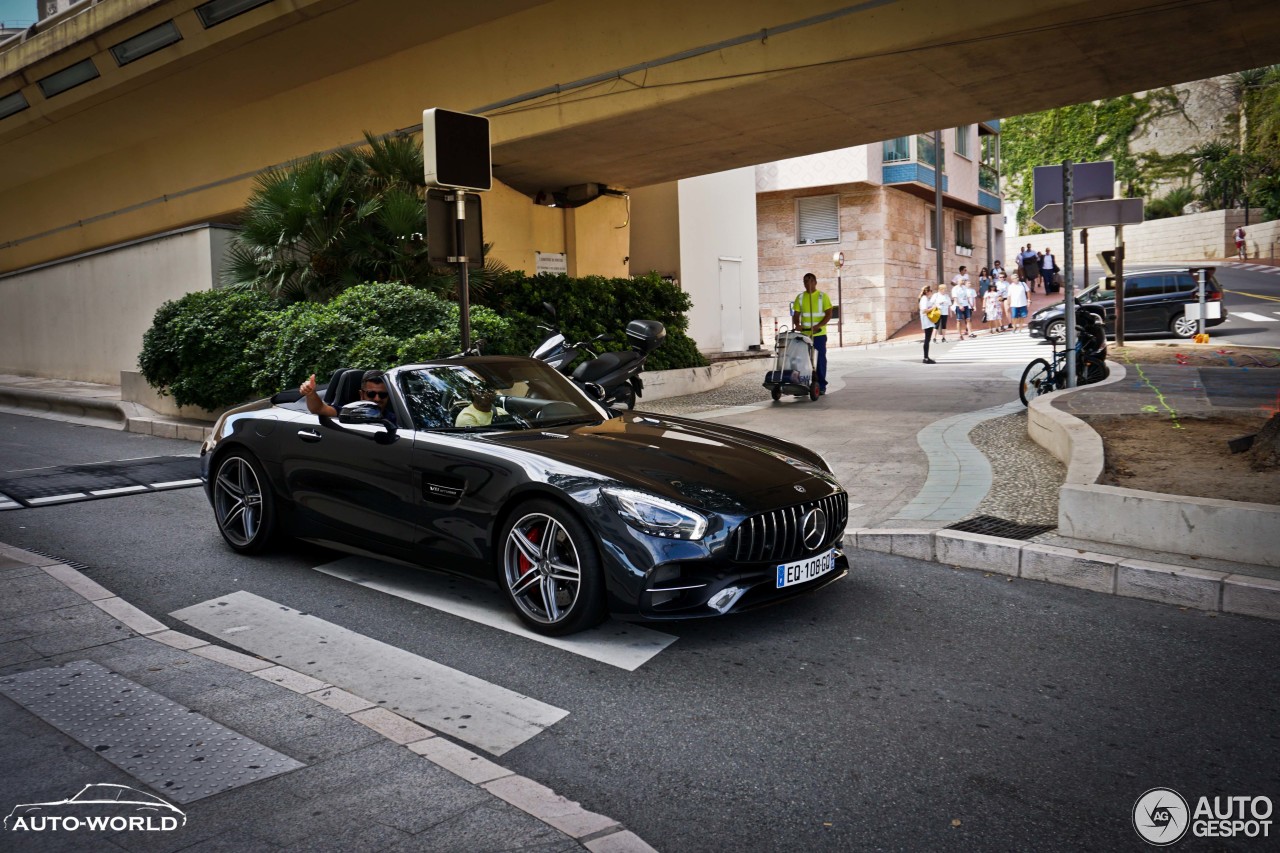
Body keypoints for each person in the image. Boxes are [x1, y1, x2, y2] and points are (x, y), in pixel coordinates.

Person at [299, 369, 398, 425]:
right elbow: (319, 408)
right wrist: (311, 394)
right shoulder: (348, 411)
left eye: (383, 395)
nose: (377, 399)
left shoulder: (395, 418)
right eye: (371, 394)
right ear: (361, 394)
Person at [792, 272, 833, 395]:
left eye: (810, 281)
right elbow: (796, 315)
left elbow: (829, 314)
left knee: (819, 359)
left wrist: (818, 326)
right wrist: (797, 324)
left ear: (815, 282)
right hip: (805, 334)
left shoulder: (822, 296)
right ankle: (802, 384)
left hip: (819, 334)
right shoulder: (800, 297)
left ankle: (821, 385)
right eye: (805, 281)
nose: (807, 284)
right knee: (801, 359)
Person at [918, 285, 937, 364]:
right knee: (927, 339)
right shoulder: (924, 299)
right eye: (930, 291)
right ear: (927, 291)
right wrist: (933, 308)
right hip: (926, 320)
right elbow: (924, 310)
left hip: (928, 320)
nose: (931, 292)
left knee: (928, 339)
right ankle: (926, 358)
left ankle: (926, 357)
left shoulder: (925, 299)